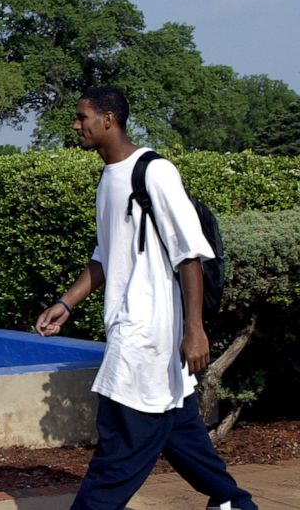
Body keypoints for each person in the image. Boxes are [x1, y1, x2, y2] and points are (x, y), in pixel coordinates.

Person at [35, 87, 257, 510]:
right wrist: (65, 303)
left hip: (147, 335)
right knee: (179, 431)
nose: (76, 125)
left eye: (83, 117)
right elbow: (105, 256)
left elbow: (188, 253)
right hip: (131, 327)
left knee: (120, 448)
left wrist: (194, 330)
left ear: (109, 120)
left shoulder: (155, 172)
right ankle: (234, 503)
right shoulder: (108, 178)